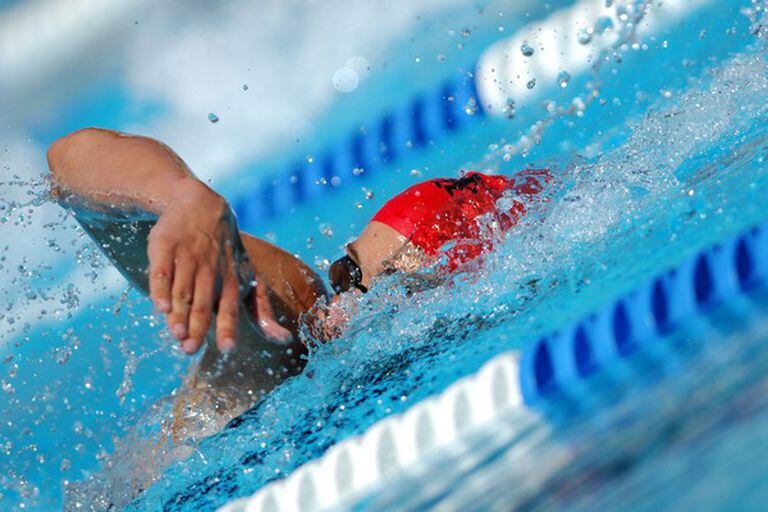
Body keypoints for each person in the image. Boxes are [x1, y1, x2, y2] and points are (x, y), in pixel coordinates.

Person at [47, 128, 553, 440]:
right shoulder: (285, 318)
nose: (339, 313)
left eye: (395, 292)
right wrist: (184, 197)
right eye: (348, 274)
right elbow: (70, 157)